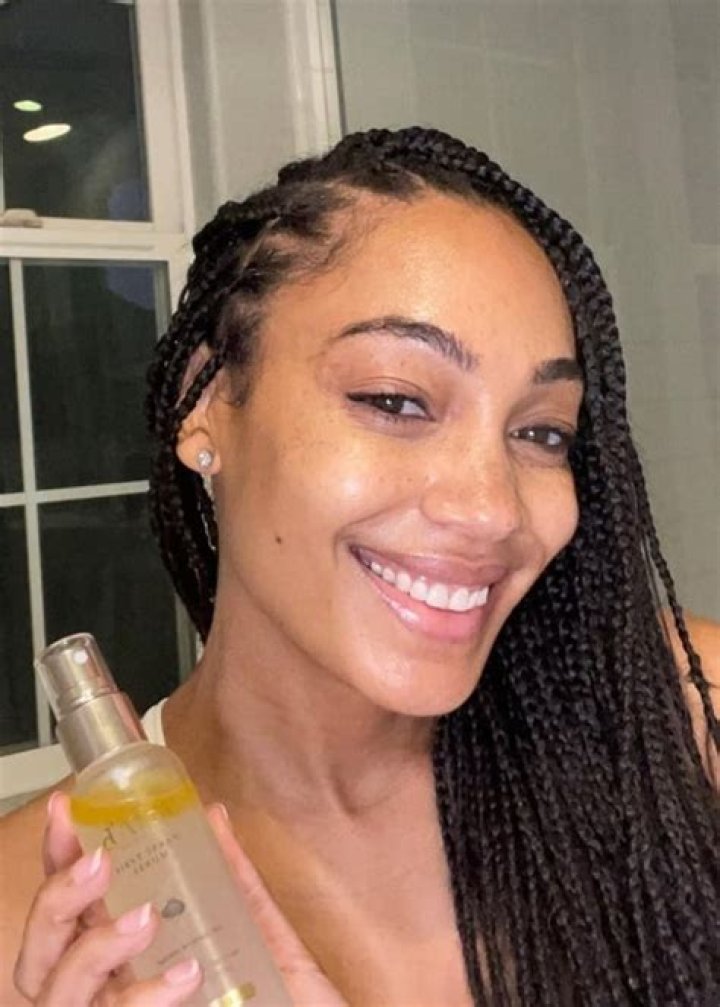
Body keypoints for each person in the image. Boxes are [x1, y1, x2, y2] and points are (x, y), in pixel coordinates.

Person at [1, 126, 718, 1006]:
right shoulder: (35, 916)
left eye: (541, 431)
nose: (492, 508)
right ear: (207, 400)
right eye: (395, 399)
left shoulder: (685, 720)